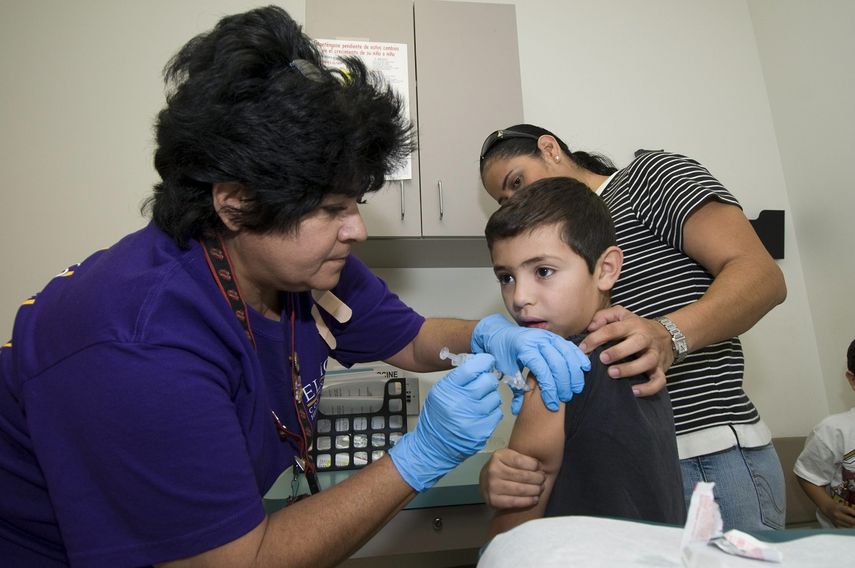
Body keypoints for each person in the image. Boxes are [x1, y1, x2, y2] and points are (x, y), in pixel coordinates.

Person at [0, 11, 590, 567]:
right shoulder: (140, 345)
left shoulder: (299, 266)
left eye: (356, 203)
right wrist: (423, 452)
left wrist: (491, 336)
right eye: (333, 208)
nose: (356, 229)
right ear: (237, 204)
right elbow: (241, 561)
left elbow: (411, 340)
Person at [477, 124, 788, 531]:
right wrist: (499, 476)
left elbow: (762, 275)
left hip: (708, 454)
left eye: (517, 181)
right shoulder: (557, 358)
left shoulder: (648, 179)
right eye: (505, 200)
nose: (518, 200)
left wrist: (667, 335)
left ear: (550, 149)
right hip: (624, 470)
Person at [484, 178, 685, 538]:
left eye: (543, 271)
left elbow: (512, 536)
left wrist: (496, 494)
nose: (519, 297)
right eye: (506, 277)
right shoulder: (638, 352)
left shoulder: (553, 374)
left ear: (606, 269)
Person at [794, 339, 855, 528]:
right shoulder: (833, 430)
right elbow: (807, 475)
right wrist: (828, 507)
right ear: (853, 380)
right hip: (842, 542)